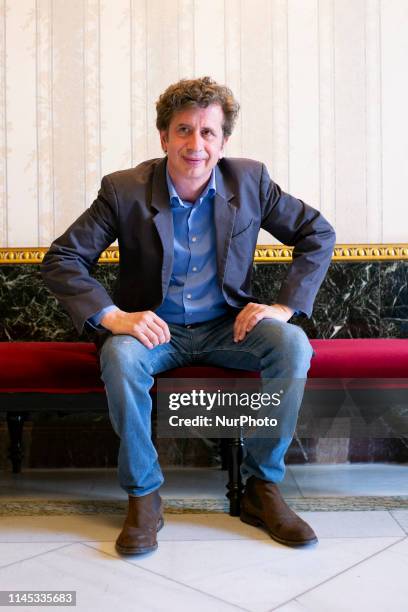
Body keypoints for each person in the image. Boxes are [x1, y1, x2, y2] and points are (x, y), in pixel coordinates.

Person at [41, 76, 336, 555]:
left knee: (293, 344)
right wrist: (114, 317)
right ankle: (144, 495)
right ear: (164, 137)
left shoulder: (251, 181)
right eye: (183, 131)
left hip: (228, 326)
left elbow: (316, 233)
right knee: (119, 356)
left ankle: (262, 488)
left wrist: (283, 307)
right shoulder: (124, 190)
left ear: (223, 142)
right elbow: (62, 259)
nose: (194, 145)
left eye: (207, 133)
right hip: (154, 329)